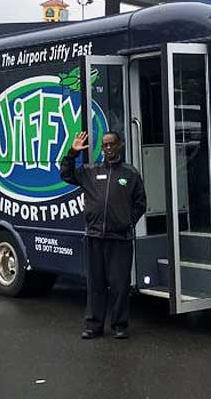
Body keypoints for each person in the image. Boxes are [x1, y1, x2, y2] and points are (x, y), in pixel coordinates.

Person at [60, 131, 146, 340]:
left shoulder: (130, 174)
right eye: (105, 145)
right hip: (95, 237)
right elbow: (65, 174)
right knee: (95, 284)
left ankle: (119, 325)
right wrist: (72, 152)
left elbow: (140, 203)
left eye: (112, 145)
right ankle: (93, 326)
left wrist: (126, 221)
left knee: (119, 284)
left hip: (120, 239)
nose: (108, 148)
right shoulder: (90, 171)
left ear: (120, 146)